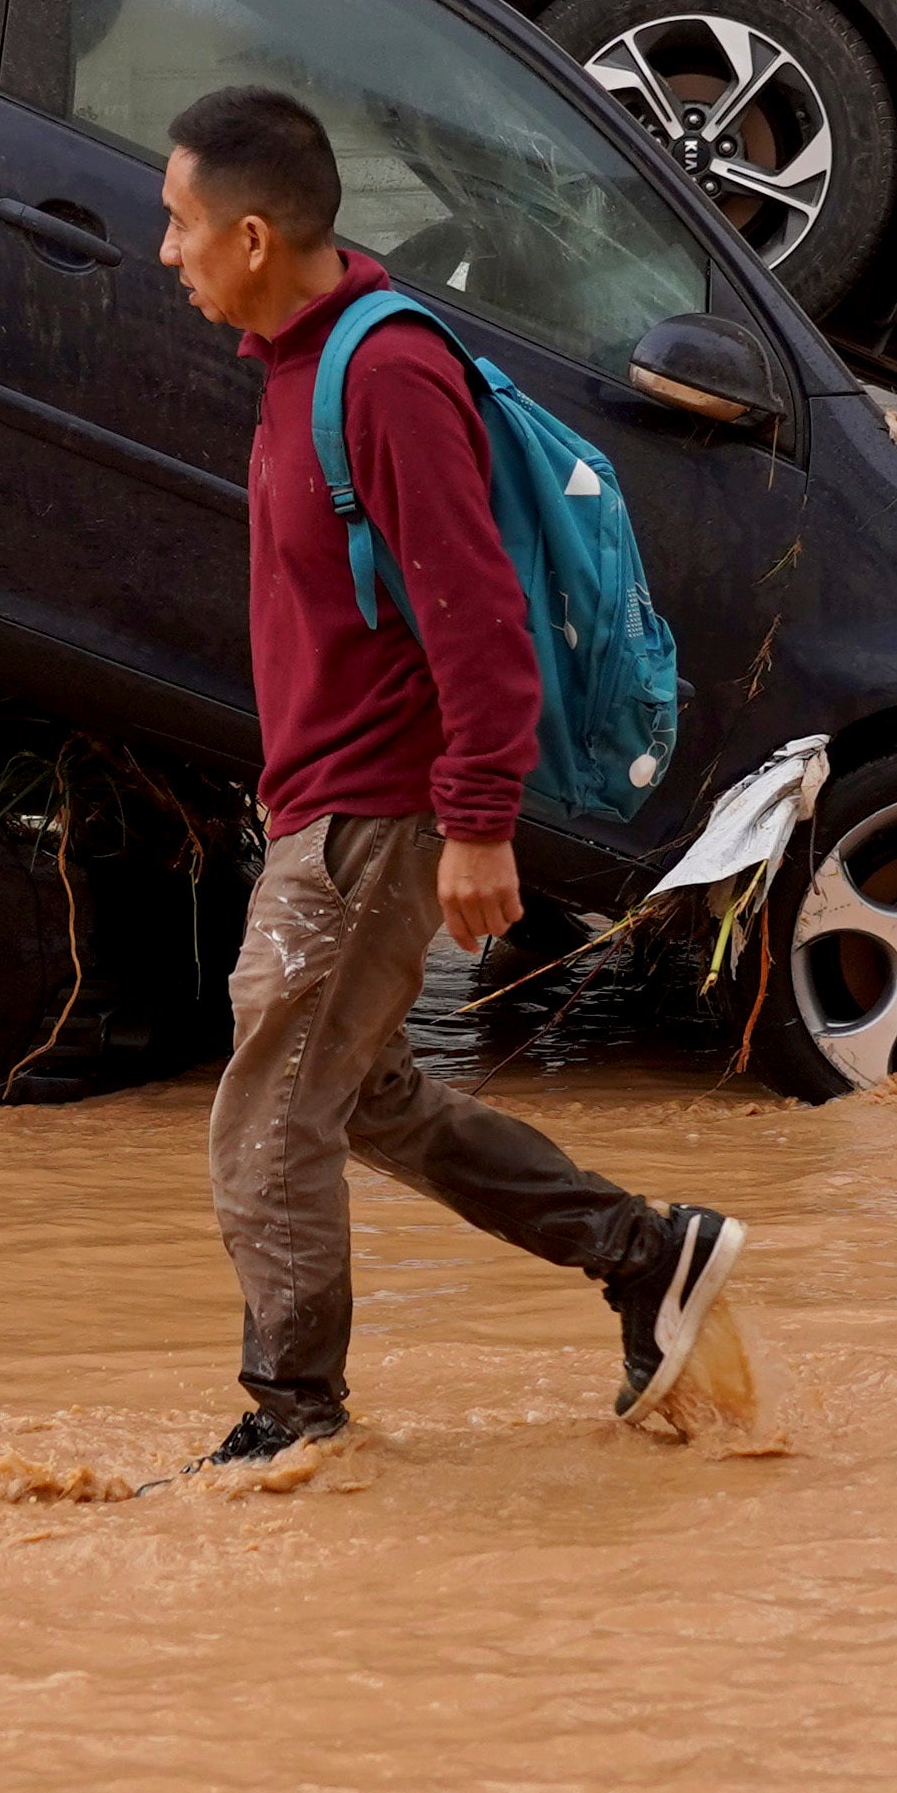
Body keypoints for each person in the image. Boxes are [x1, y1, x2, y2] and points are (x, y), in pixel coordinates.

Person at [157, 83, 743, 1471]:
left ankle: (291, 1420)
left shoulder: (384, 372)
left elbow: (477, 614)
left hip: (377, 812)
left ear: (250, 235)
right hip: (324, 804)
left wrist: (479, 822)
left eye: (178, 224)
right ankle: (646, 1256)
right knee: (357, 1100)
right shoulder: (300, 367)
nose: (165, 251)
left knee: (270, 1113)